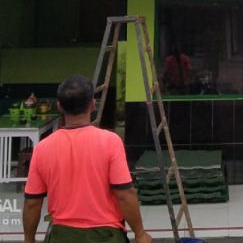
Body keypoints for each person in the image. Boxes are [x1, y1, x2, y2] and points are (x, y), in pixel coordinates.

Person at [23, 75, 152, 243]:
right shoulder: (110, 141)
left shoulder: (42, 148)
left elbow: (32, 202)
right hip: (107, 235)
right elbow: (125, 194)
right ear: (93, 105)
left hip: (62, 235)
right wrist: (140, 233)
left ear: (59, 106)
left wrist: (29, 239)